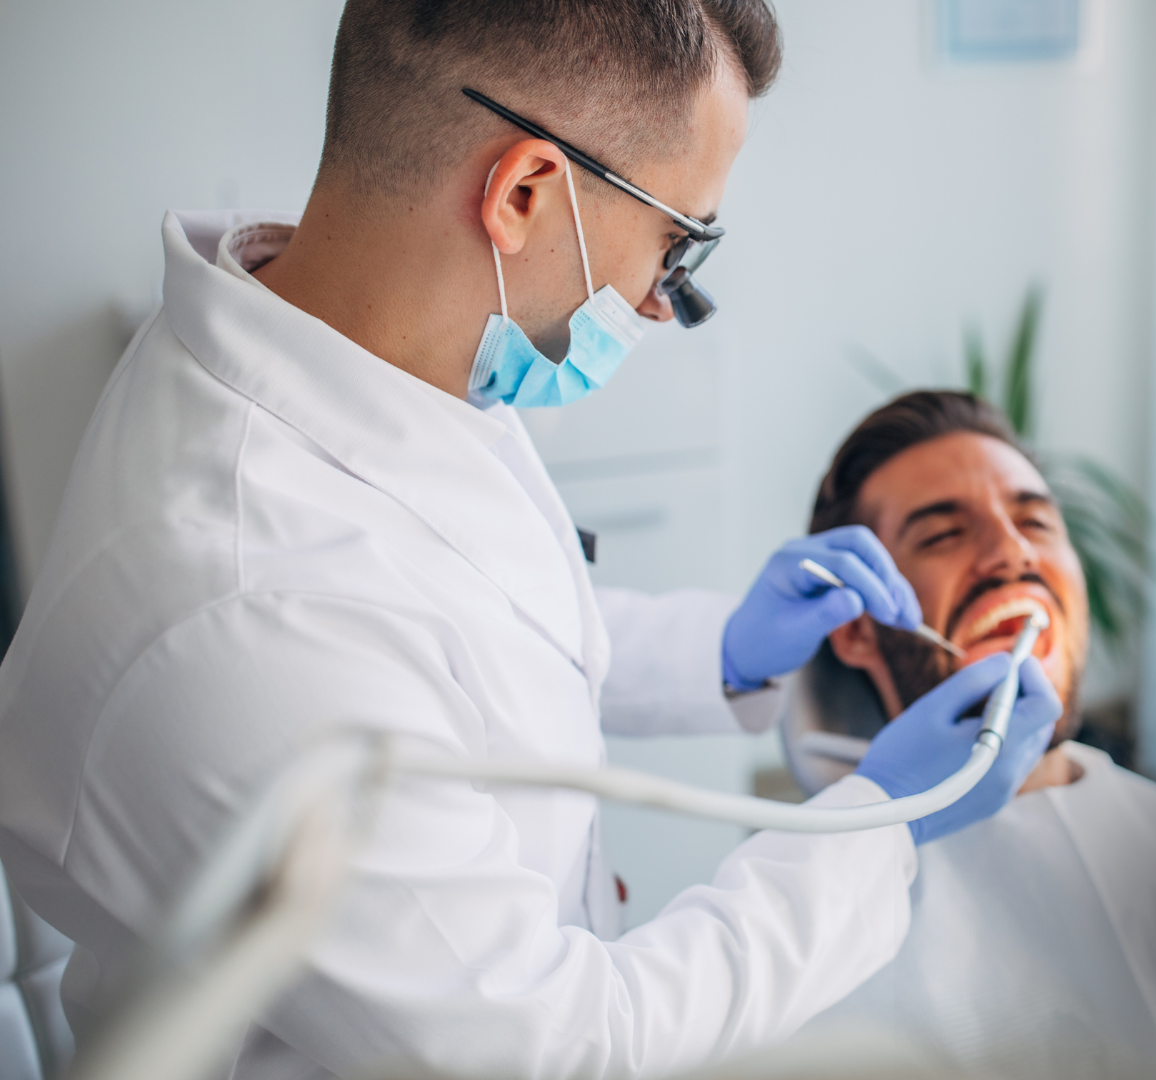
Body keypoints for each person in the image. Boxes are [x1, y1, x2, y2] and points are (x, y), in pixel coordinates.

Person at [0, 5, 1059, 1079]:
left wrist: (720, 653)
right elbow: (555, 1046)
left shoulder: (351, 339)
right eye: (678, 242)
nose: (658, 302)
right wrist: (875, 826)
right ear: (522, 194)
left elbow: (456, 647)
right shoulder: (249, 606)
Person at [780, 391, 1156, 1080]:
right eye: (942, 535)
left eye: (1036, 522)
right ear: (857, 629)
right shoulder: (801, 962)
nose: (1012, 553)